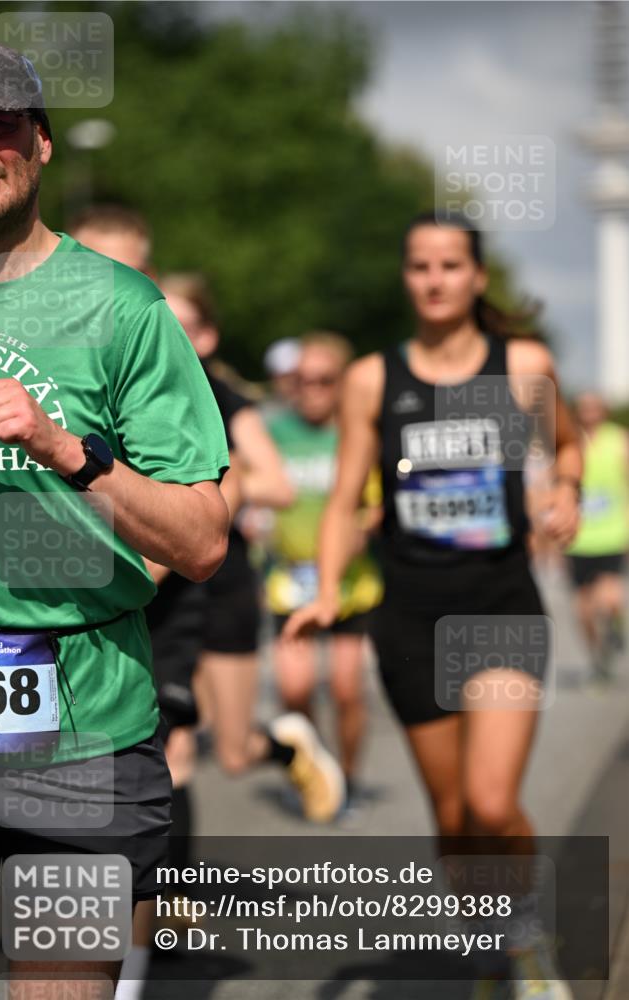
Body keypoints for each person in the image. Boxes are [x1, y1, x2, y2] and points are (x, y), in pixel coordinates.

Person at [0, 42, 229, 1000]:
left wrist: (67, 451)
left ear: (36, 143)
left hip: (81, 741)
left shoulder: (122, 311)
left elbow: (201, 540)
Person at [285, 212, 582, 997]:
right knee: (453, 819)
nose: (435, 279)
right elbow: (347, 499)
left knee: (491, 802)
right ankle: (488, 942)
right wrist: (321, 593)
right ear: (406, 277)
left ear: (476, 277)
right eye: (419, 266)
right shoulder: (373, 380)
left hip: (500, 607)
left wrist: (569, 493)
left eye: (450, 265)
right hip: (409, 618)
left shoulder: (521, 365)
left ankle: (524, 938)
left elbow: (568, 444)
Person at [157, 274, 346, 824]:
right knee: (171, 745)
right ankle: (170, 900)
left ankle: (286, 748)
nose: (166, 332)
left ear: (209, 337)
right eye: (156, 317)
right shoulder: (124, 386)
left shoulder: (223, 399)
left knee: (234, 753)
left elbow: (279, 485)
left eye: (183, 324)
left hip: (220, 585)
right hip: (159, 590)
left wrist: (209, 481)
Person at [266, 332, 383, 809]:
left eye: (324, 381)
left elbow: (377, 502)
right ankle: (319, 767)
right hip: (290, 579)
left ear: (343, 383)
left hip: (351, 583)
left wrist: (362, 526)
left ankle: (348, 778)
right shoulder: (274, 430)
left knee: (345, 688)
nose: (311, 389)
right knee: (294, 689)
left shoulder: (356, 434)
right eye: (301, 380)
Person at [566, 392, 629, 681]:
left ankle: (616, 628)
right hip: (577, 537)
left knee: (611, 597)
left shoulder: (619, 441)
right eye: (584, 408)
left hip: (613, 533)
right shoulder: (569, 442)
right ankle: (597, 659)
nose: (589, 413)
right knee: (584, 610)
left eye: (594, 407)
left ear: (603, 410)